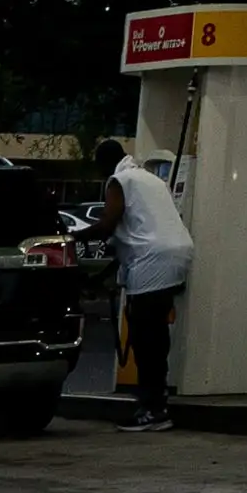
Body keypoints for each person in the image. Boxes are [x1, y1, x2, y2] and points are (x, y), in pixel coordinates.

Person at [87, 138, 194, 431]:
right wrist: (99, 278)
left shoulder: (119, 180)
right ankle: (157, 403)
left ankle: (153, 410)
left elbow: (109, 223)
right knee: (155, 331)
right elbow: (138, 231)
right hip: (176, 253)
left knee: (146, 336)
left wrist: (73, 238)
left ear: (104, 164)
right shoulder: (149, 178)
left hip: (152, 260)